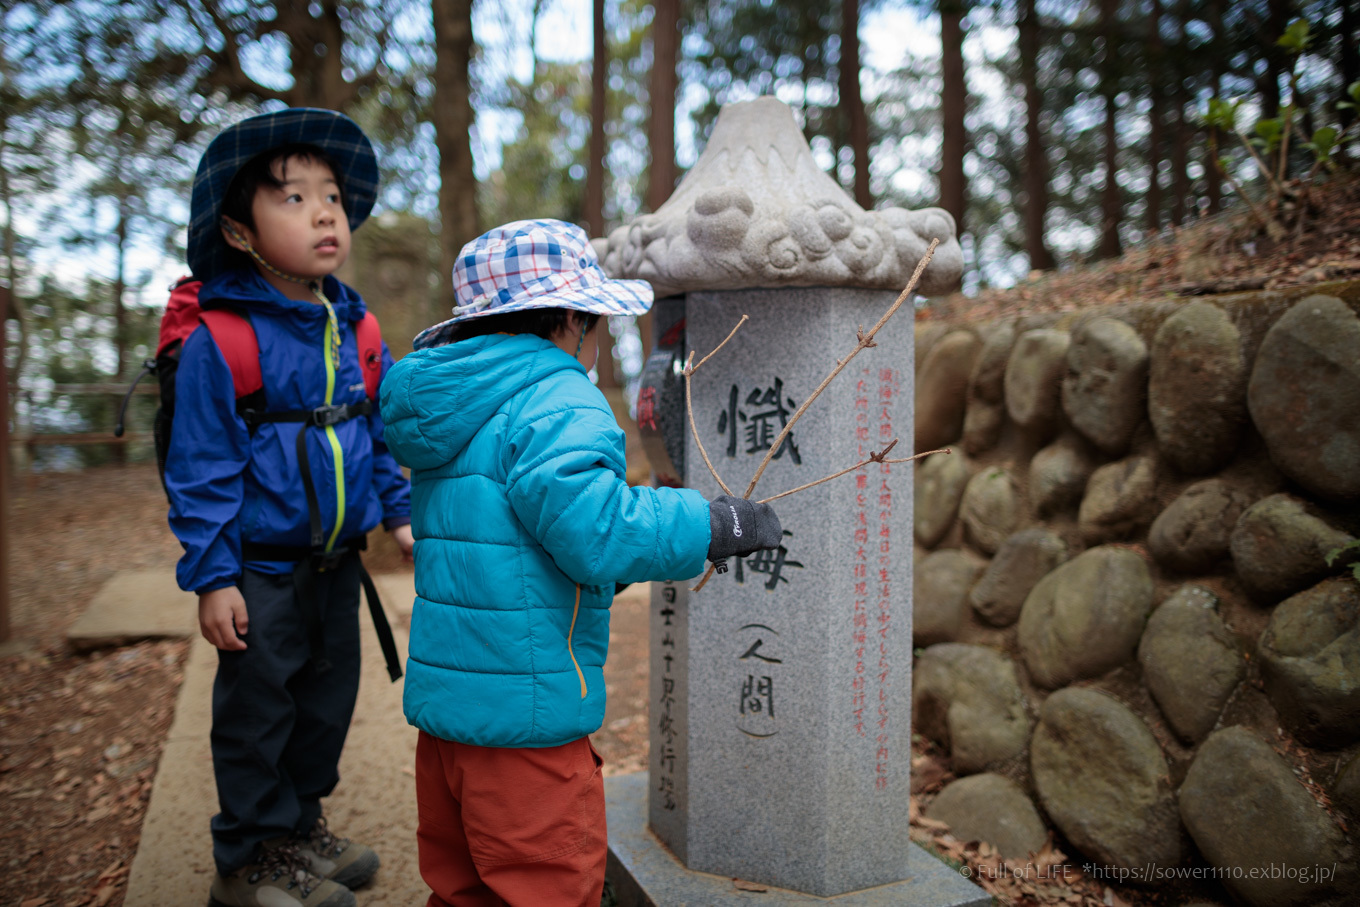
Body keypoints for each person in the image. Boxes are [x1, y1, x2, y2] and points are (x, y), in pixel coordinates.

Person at [380, 218, 783, 906]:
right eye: (594, 322)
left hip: (450, 723)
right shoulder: (556, 397)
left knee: (462, 885)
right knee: (549, 886)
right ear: (571, 318)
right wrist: (709, 523)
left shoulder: (448, 407)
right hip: (527, 722)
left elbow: (528, 543)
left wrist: (636, 543)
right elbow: (595, 531)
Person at [165, 108, 413, 907]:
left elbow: (376, 431)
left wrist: (399, 511)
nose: (323, 211)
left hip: (336, 564)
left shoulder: (356, 325)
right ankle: (245, 859)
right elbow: (200, 468)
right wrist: (213, 576)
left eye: (332, 196)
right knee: (257, 713)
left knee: (323, 704)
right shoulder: (224, 338)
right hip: (260, 569)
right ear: (239, 232)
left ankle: (299, 826)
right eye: (292, 197)